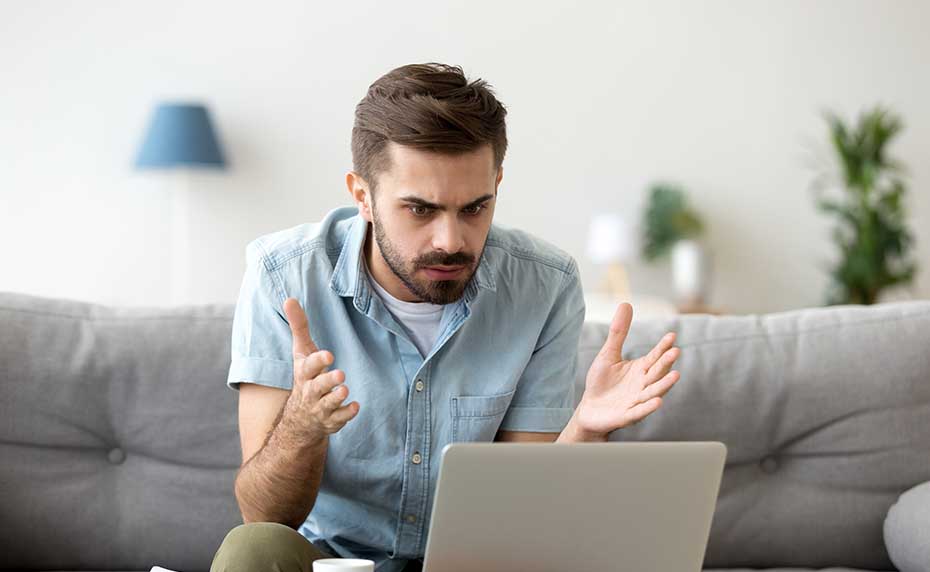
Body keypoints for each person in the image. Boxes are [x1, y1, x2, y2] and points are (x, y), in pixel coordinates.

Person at [210, 62, 681, 572]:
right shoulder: (284, 276)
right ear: (362, 196)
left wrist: (585, 429)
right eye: (420, 210)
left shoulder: (545, 285)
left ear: (497, 183)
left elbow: (524, 519)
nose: (451, 241)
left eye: (475, 208)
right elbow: (262, 515)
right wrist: (302, 425)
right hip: (332, 563)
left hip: (477, 563)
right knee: (251, 548)